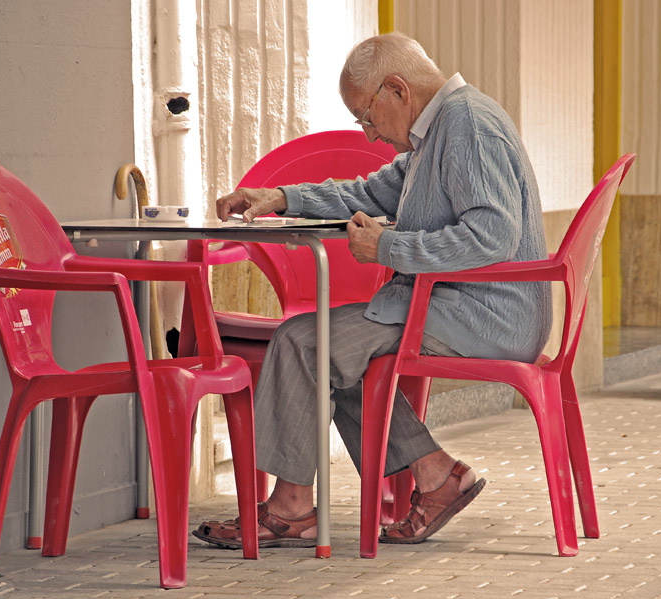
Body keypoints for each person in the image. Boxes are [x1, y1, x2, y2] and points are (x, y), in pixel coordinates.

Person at [194, 32, 552, 548]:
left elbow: (492, 235)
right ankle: (435, 474)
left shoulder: (467, 126)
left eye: (366, 115)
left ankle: (291, 509)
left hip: (486, 313)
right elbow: (366, 192)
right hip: (461, 305)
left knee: (303, 342)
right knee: (332, 350)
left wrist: (388, 248)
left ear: (397, 90)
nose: (368, 133)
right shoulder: (439, 130)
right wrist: (280, 197)